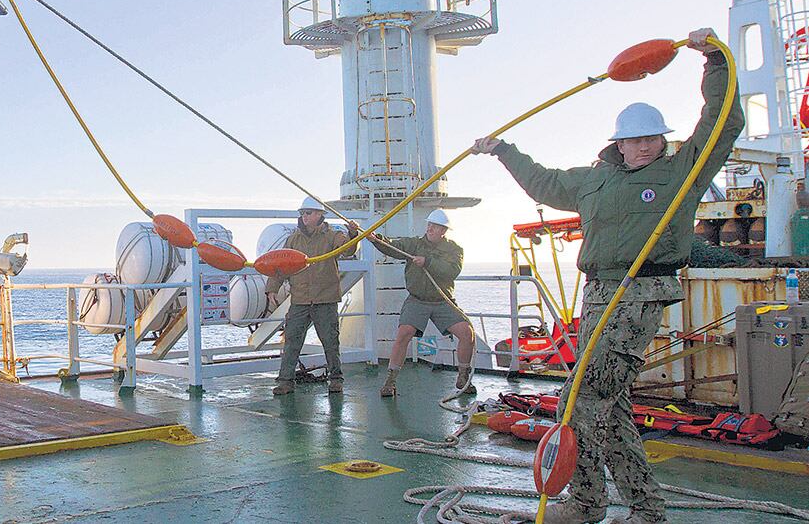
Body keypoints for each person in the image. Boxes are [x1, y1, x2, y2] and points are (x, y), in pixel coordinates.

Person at [470, 28, 743, 524]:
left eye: (653, 138)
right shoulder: (594, 179)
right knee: (611, 408)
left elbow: (723, 124)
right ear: (618, 144)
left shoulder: (682, 171)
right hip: (597, 295)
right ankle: (646, 511)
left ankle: (585, 505)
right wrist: (503, 150)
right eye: (635, 140)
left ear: (664, 140)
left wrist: (714, 62)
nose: (644, 147)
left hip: (640, 293)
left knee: (584, 399)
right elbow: (546, 182)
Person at [368, 209, 470, 398]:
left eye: (435, 226)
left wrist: (427, 262)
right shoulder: (414, 244)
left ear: (443, 231)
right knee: (403, 334)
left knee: (467, 333)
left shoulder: (455, 250)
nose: (430, 228)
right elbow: (392, 247)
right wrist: (376, 239)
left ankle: (463, 376)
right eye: (429, 225)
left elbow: (451, 271)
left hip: (442, 301)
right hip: (417, 300)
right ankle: (390, 381)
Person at [266, 197, 360, 395]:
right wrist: (271, 288)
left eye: (308, 212)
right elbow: (281, 265)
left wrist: (353, 234)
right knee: (291, 340)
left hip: (325, 299)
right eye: (302, 213)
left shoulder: (333, 236)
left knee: (330, 342)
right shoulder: (293, 239)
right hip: (299, 299)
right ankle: (285, 382)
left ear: (319, 215)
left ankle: (336, 379)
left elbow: (348, 250)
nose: (304, 216)